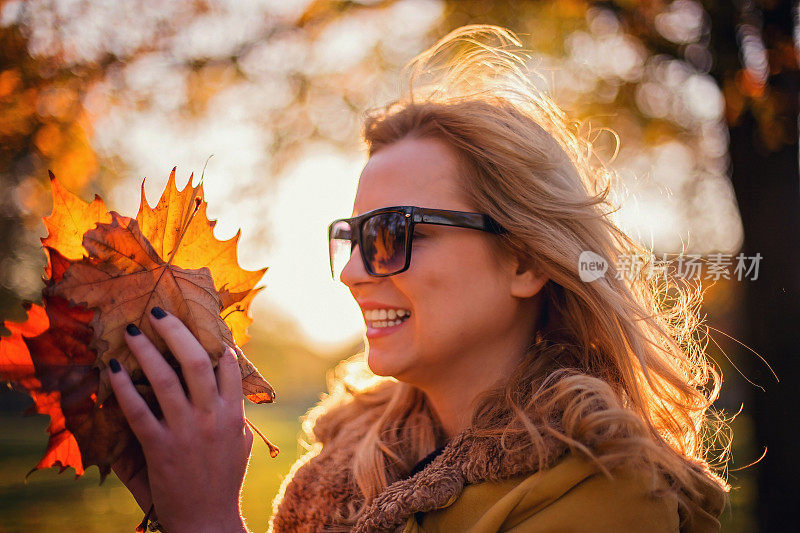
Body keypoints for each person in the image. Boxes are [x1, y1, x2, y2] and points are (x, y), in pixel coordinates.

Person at [107, 25, 730, 533]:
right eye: (352, 239)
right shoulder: (334, 472)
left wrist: (207, 523)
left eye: (393, 234)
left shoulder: (607, 493)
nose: (352, 273)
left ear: (526, 260)